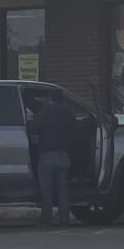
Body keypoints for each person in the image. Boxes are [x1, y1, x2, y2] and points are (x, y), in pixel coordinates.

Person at [27, 94, 74, 226]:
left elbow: (34, 128)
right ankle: (64, 218)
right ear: (62, 99)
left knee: (47, 189)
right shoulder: (67, 113)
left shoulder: (45, 112)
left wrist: (29, 122)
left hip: (47, 155)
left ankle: (47, 216)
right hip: (64, 155)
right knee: (63, 189)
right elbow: (75, 128)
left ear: (49, 99)